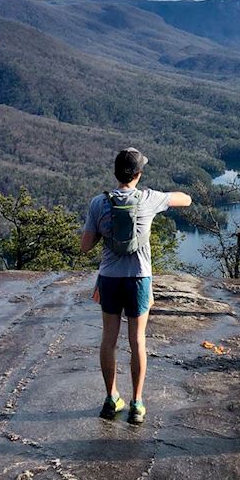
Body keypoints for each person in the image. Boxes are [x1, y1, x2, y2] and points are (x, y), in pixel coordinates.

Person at [81, 147, 192, 425]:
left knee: (109, 339)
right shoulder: (148, 199)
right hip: (139, 278)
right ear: (138, 174)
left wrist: (104, 233)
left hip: (109, 278)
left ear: (115, 173)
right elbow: (186, 200)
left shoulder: (99, 203)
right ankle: (137, 403)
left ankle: (111, 399)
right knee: (137, 341)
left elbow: (85, 247)